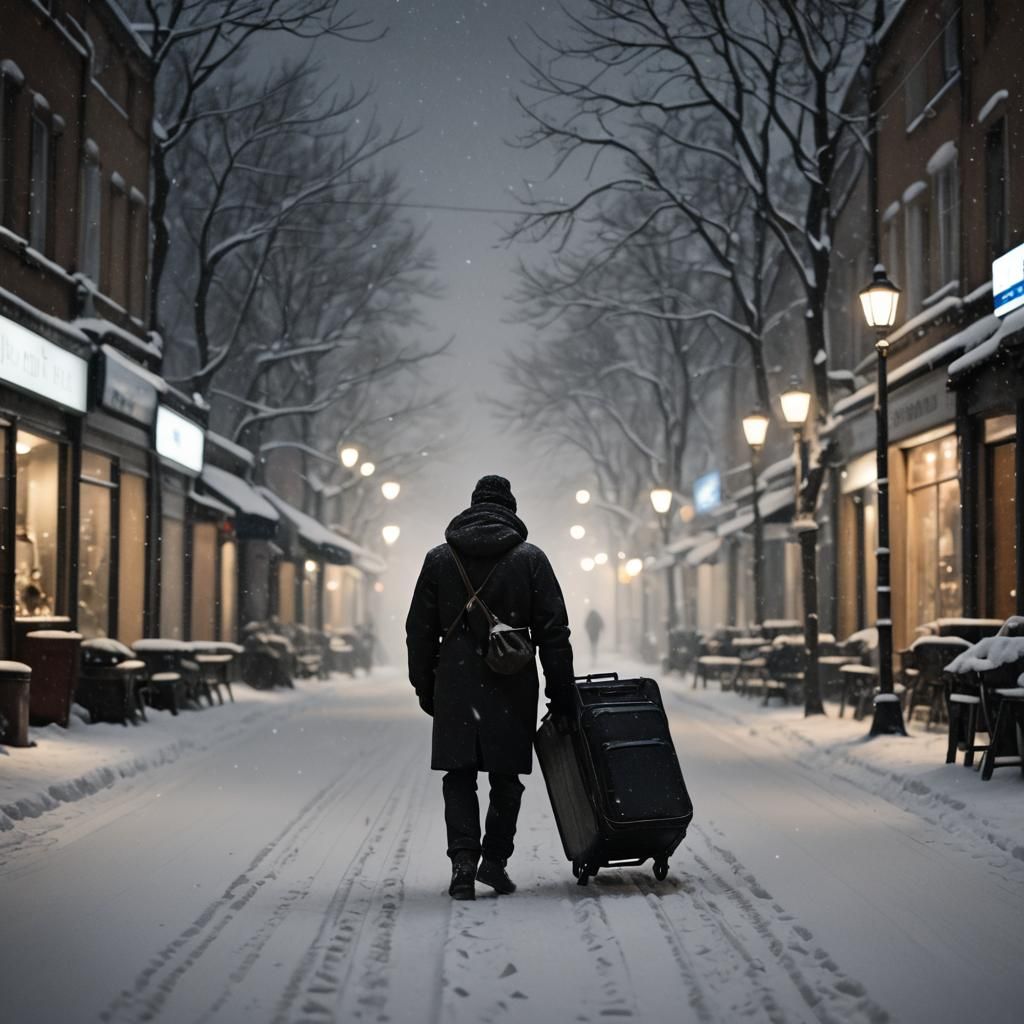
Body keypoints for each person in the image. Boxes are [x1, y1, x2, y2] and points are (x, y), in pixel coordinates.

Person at [406, 475, 575, 901]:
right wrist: (562, 693)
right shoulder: (531, 559)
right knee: (505, 775)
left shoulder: (439, 560)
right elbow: (555, 633)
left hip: (456, 681)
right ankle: (495, 861)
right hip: (512, 681)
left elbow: (419, 632)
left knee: (458, 774)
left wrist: (426, 686)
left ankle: (462, 861)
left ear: (472, 507)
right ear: (510, 511)